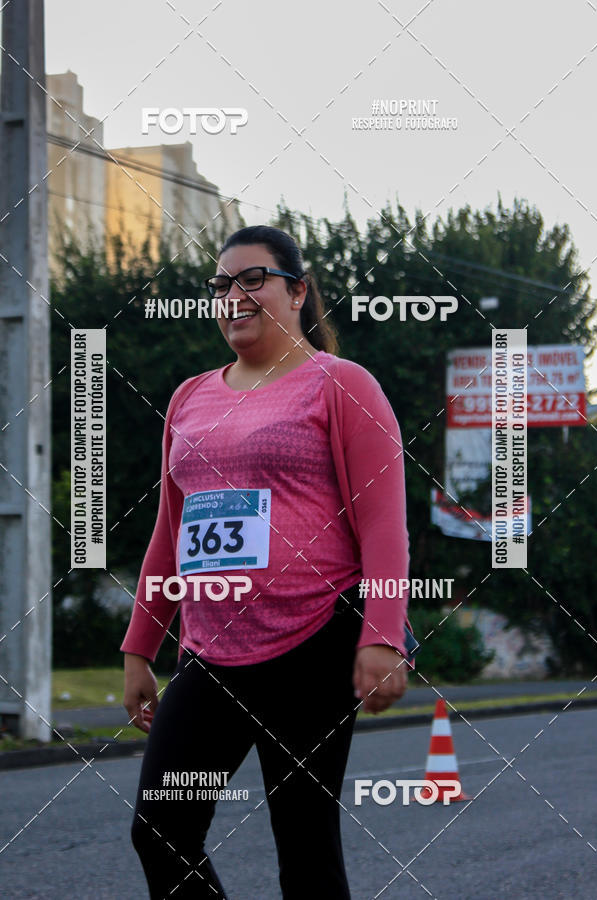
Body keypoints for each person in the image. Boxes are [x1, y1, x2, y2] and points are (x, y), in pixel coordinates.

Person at [121, 225, 412, 899]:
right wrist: (141, 646)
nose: (234, 295)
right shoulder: (191, 398)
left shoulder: (341, 385)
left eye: (254, 279)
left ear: (297, 291)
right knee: (161, 827)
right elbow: (170, 532)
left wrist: (382, 634)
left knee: (305, 843)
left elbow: (383, 524)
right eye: (222, 284)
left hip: (314, 644)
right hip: (209, 655)